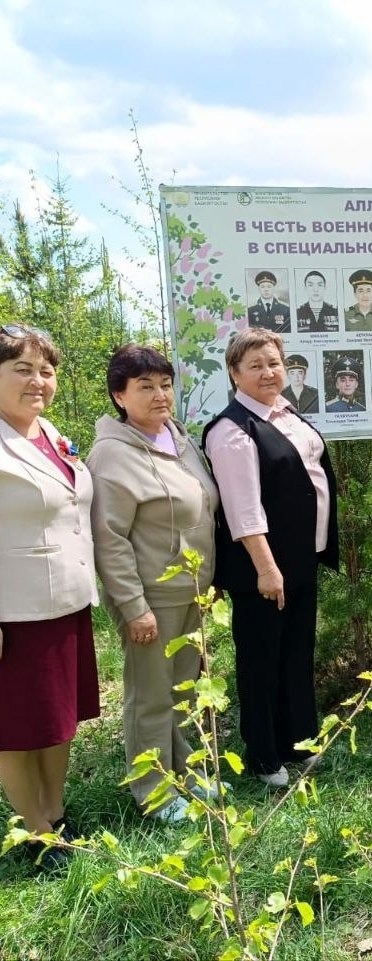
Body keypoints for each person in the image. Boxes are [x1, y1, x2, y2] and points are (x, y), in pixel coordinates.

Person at [87, 344, 219, 823]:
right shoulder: (112, 455)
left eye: (165, 384)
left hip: (193, 591)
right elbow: (110, 539)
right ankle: (154, 791)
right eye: (145, 387)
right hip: (150, 598)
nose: (160, 395)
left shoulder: (179, 440)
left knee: (185, 688)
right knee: (150, 696)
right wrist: (133, 605)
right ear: (120, 395)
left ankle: (185, 769)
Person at [202, 328, 339, 788]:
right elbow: (243, 510)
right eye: (255, 365)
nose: (268, 372)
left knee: (295, 655)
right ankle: (263, 755)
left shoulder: (285, 414)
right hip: (265, 569)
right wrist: (266, 568)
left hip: (299, 561)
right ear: (235, 373)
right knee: (262, 662)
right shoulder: (232, 430)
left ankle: (298, 741)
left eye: (274, 362)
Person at [0, 324, 99, 869]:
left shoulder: (49, 432)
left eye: (45, 370)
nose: (37, 381)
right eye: (21, 368)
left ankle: (55, 811)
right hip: (12, 612)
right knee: (14, 729)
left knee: (58, 719)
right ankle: (34, 834)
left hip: (65, 601)